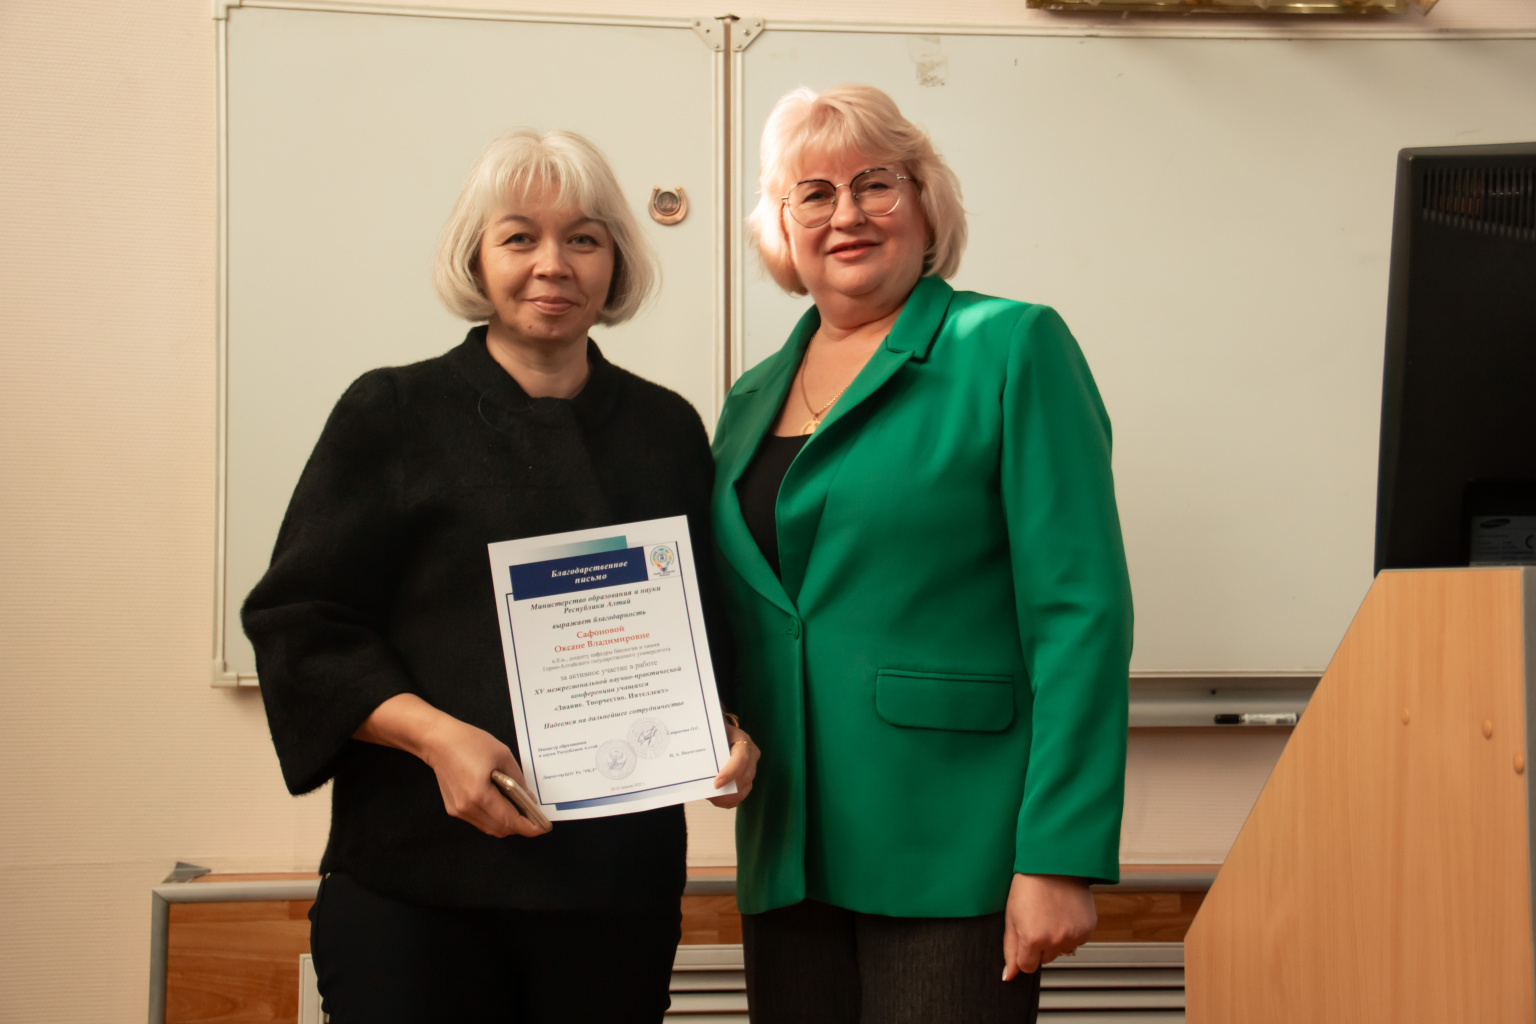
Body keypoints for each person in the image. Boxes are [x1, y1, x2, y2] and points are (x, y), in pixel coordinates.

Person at [243, 128, 758, 1024]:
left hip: (614, 894)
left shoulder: (666, 428)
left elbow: (706, 625)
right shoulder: (391, 412)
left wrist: (728, 729)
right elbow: (300, 623)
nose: (553, 263)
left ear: (615, 262)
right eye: (520, 236)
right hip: (417, 887)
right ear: (477, 258)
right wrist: (437, 738)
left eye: (584, 238)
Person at [710, 84, 1133, 1022]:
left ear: (925, 202)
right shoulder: (749, 397)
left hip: (956, 843)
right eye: (813, 193)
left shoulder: (1011, 345)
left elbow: (1080, 612)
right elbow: (752, 609)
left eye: (876, 184)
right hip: (788, 844)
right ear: (782, 225)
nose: (846, 214)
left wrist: (1059, 854)